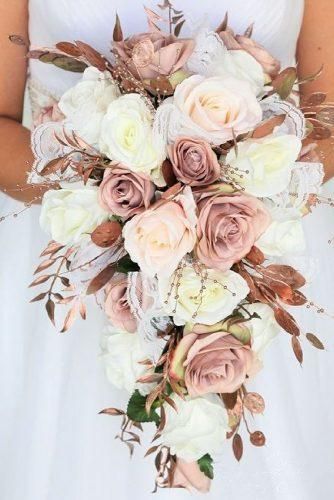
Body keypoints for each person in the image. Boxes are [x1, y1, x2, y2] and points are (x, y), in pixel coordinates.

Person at [0, 1, 333, 499]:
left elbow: (327, 122)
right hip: (81, 267)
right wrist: (117, 198)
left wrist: (228, 205)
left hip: (254, 257)